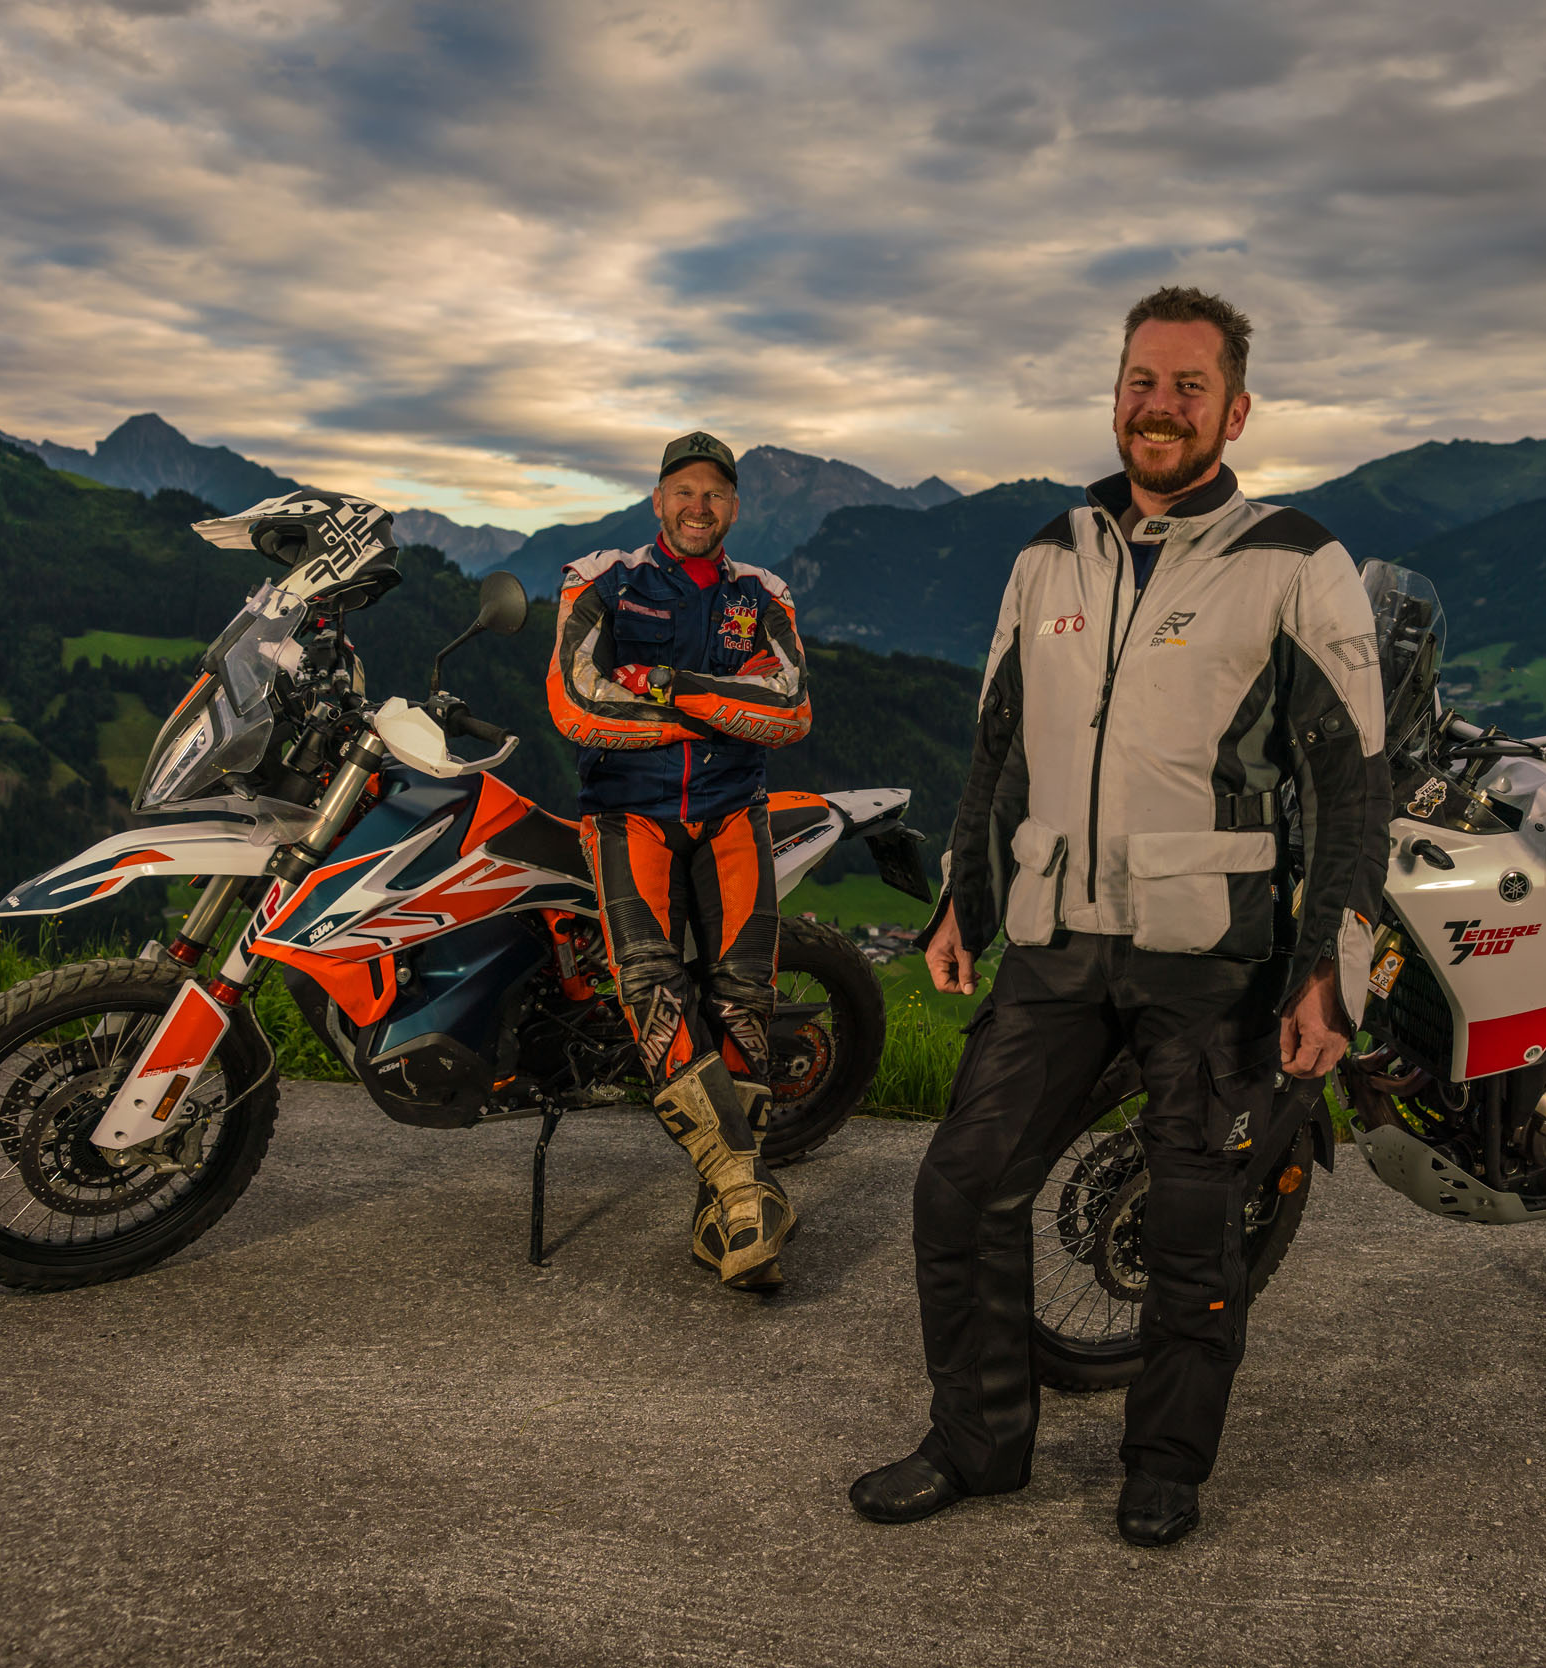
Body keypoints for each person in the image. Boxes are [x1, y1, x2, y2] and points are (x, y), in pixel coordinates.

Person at [848, 287, 1388, 1546]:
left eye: (1189, 386)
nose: (1160, 406)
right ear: (1115, 394)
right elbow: (1001, 748)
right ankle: (978, 1445)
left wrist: (1331, 969)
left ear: (1234, 411)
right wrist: (966, 899)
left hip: (1211, 954)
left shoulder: (1296, 562)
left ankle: (1166, 1465)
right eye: (1142, 381)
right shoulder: (1049, 554)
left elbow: (1352, 786)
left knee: (1194, 1225)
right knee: (961, 1187)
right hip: (1055, 940)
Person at [545, 431, 813, 1290]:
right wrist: (723, 710)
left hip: (734, 814)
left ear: (735, 506)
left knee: (743, 1000)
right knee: (654, 991)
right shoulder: (601, 579)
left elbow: (792, 707)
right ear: (657, 500)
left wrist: (666, 686)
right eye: (684, 491)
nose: (699, 507)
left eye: (715, 493)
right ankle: (743, 1194)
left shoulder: (763, 594)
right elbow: (577, 701)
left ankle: (724, 1216)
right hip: (629, 816)